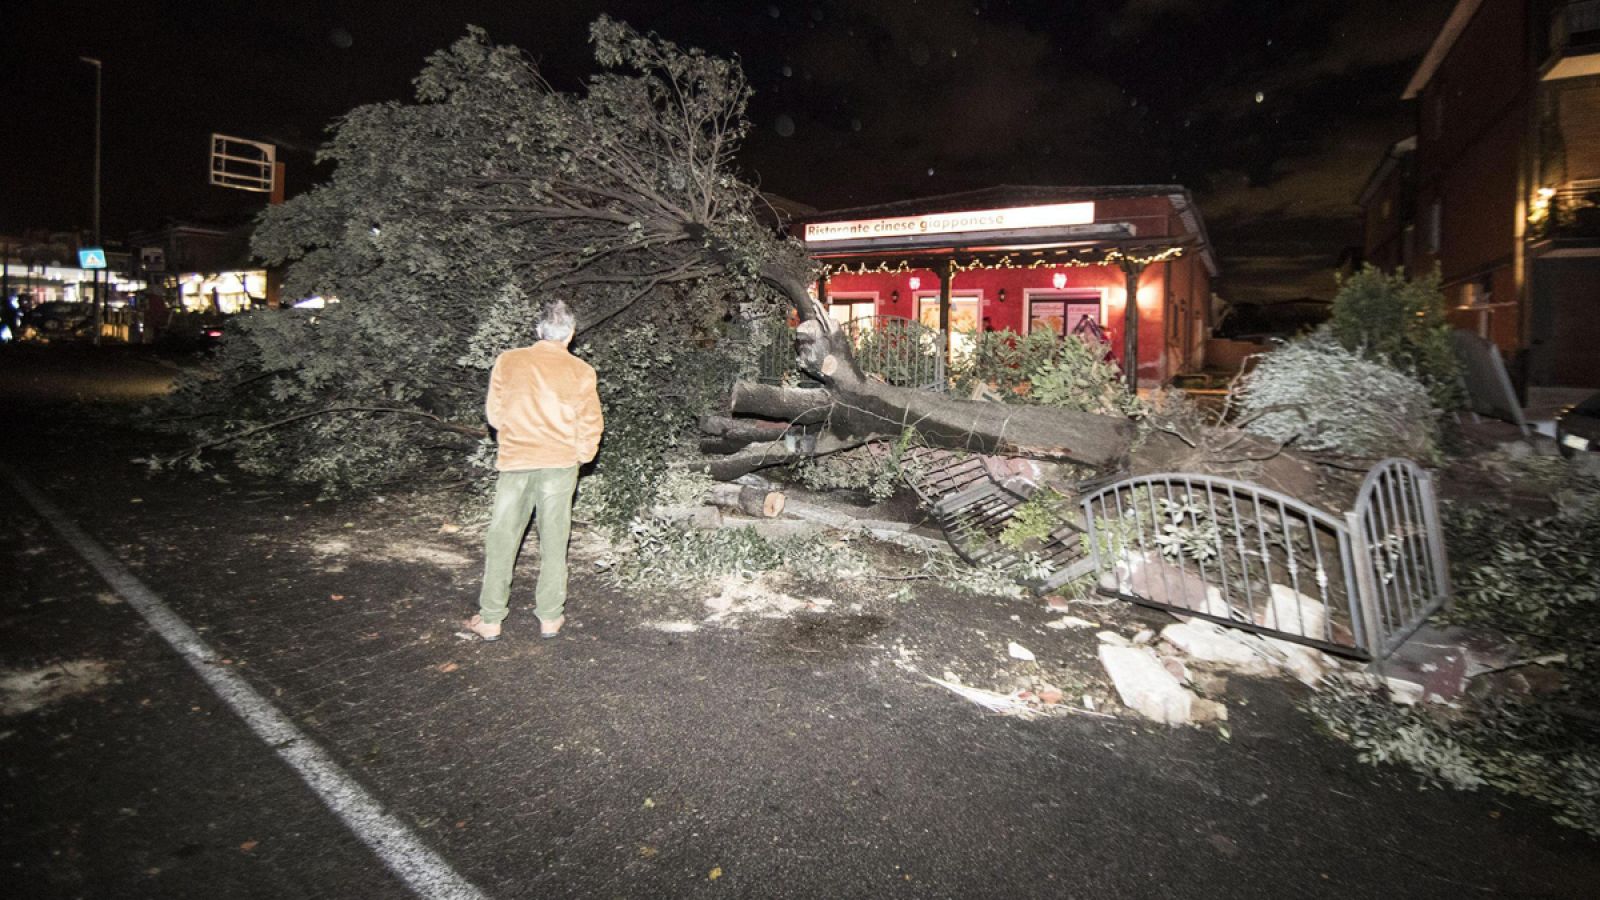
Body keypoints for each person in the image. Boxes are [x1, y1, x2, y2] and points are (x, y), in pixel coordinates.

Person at [463, 300, 604, 641]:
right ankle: (550, 617)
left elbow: (495, 416)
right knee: (555, 541)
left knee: (502, 539)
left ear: (538, 331)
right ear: (571, 334)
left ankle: (492, 618)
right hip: (559, 465)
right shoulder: (581, 371)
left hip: (517, 463)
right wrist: (580, 456)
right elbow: (591, 423)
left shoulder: (508, 361)